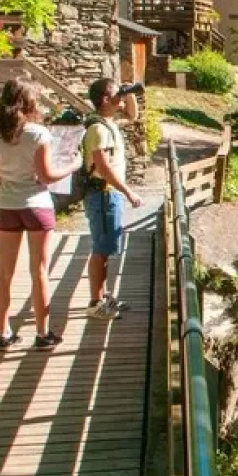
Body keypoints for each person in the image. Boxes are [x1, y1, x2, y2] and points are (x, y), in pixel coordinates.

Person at [0, 78, 81, 349]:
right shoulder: (38, 134)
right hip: (36, 205)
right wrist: (73, 166)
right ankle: (42, 333)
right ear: (29, 103)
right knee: (39, 271)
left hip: (7, 207)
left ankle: (3, 334)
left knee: (3, 273)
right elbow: (47, 177)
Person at [82, 77, 143, 319]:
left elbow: (133, 114)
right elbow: (104, 169)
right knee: (102, 249)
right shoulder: (98, 129)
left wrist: (129, 92)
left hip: (107, 194)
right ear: (106, 99)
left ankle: (103, 296)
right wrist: (129, 192)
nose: (121, 96)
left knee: (105, 247)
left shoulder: (107, 123)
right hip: (104, 194)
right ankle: (96, 303)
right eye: (116, 93)